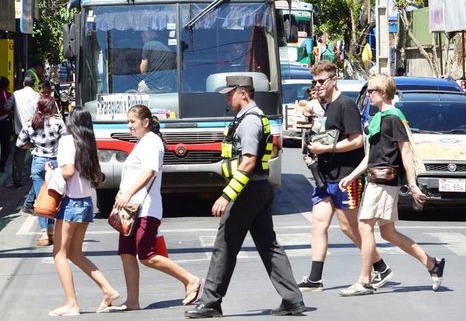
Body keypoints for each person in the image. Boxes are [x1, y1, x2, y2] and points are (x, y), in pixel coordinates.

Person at [185, 76, 305, 318]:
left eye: (230, 94)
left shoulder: (250, 122)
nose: (227, 100)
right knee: (268, 246)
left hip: (246, 191)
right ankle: (293, 299)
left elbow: (248, 162)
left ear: (243, 93)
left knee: (225, 246)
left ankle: (210, 302)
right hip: (259, 189)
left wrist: (226, 195)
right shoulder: (251, 117)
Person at [338, 73, 445, 296]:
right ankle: (432, 264)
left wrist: (413, 184)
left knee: (365, 226)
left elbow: (406, 152)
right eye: (368, 91)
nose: (368, 95)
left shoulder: (393, 118)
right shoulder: (378, 120)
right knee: (387, 233)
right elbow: (371, 156)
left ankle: (364, 281)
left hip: (384, 181)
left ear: (384, 93)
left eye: (372, 91)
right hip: (375, 178)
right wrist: (352, 176)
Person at [297, 61, 391, 292]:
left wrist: (327, 149)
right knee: (318, 224)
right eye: (315, 82)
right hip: (325, 176)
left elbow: (357, 140)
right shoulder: (325, 106)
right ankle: (315, 277)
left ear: (333, 80)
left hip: (346, 176)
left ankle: (380, 266)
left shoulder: (346, 105)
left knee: (349, 228)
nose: (317, 86)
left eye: (321, 81)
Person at [109, 105, 202, 312]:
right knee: (126, 252)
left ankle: (191, 280)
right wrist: (121, 194)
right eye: (128, 122)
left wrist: (128, 193)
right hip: (131, 209)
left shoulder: (152, 142)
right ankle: (132, 301)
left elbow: (149, 172)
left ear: (146, 122)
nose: (129, 126)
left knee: (147, 255)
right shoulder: (143, 143)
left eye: (132, 122)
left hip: (146, 208)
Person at [45, 107, 120, 316]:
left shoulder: (67, 141)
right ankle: (108, 290)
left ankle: (72, 303)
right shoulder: (88, 143)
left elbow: (68, 171)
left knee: (59, 255)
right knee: (75, 254)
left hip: (71, 203)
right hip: (86, 202)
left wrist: (52, 172)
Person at [16, 95, 65, 246]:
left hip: (38, 163)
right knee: (55, 197)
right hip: (56, 163)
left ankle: (44, 234)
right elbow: (67, 141)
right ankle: (52, 230)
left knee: (41, 200)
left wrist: (33, 147)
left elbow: (20, 143)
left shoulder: (30, 123)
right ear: (51, 107)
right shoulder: (58, 122)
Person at [5, 73, 39, 188]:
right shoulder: (37, 95)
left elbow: (6, 107)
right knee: (37, 154)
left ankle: (17, 180)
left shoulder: (16, 94)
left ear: (23, 83)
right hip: (35, 130)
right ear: (34, 85)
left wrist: (15, 112)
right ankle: (36, 178)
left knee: (19, 156)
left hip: (19, 131)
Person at [138, 29, 177, 93]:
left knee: (141, 86)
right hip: (169, 86)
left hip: (152, 86)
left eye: (145, 33)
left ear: (154, 34)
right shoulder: (168, 49)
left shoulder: (148, 45)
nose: (142, 35)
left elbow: (143, 70)